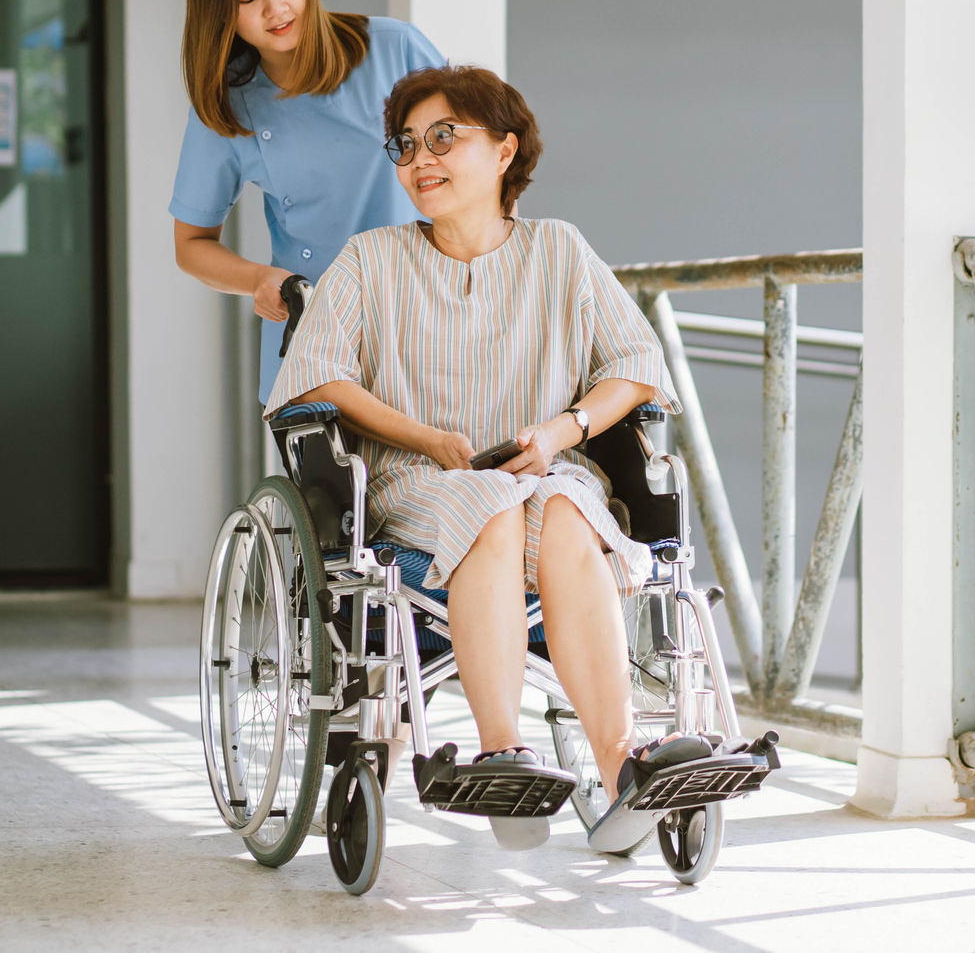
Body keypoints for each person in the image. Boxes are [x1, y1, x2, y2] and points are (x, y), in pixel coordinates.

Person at [270, 65, 713, 852]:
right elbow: (317, 377)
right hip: (419, 483)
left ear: (505, 150)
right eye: (405, 145)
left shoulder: (559, 251)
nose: (419, 159)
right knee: (490, 507)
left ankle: (622, 768)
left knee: (573, 512)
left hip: (545, 471)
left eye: (445, 136)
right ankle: (503, 750)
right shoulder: (371, 260)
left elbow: (637, 363)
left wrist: (559, 432)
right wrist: (423, 436)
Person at [169, 0, 446, 405]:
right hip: (316, 342)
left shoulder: (394, 50)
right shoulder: (228, 106)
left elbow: (480, 170)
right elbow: (191, 244)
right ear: (220, 13)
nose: (276, 9)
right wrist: (259, 279)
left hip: (428, 325)